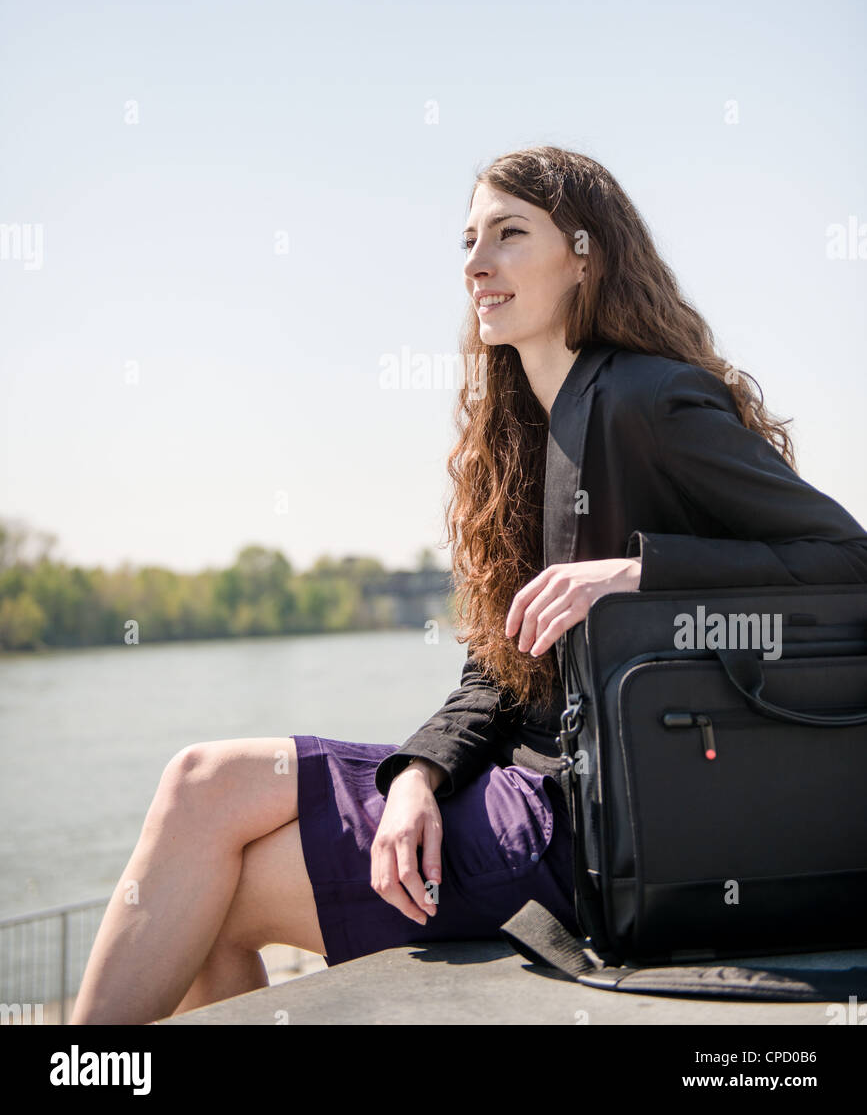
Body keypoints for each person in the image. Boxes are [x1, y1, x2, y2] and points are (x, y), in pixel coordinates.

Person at [71, 146, 867, 1024]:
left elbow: (845, 559)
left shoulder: (650, 400)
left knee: (216, 883)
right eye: (468, 241)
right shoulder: (528, 429)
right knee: (199, 784)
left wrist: (639, 571)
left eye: (509, 234)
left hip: (596, 828)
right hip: (528, 788)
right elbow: (500, 666)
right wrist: (415, 775)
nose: (475, 265)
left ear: (584, 255)